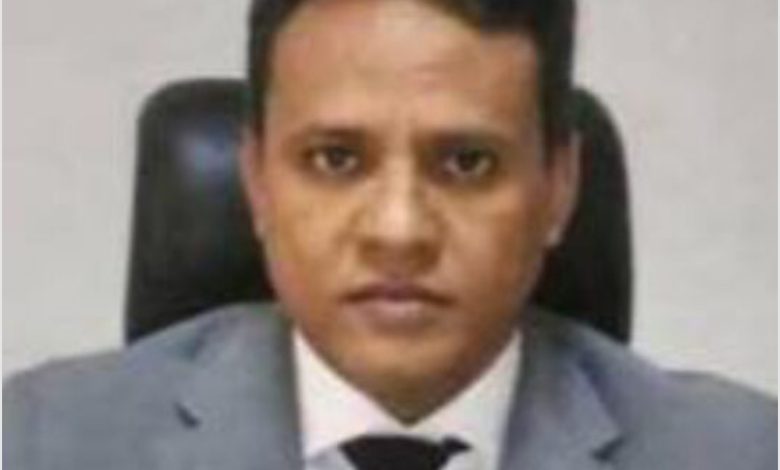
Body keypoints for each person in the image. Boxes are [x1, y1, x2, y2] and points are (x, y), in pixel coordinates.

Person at [4, 0, 776, 469]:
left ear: (559, 187)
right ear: (257, 181)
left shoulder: (743, 453)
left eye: (468, 163)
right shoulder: (39, 442)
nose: (399, 230)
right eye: (335, 159)